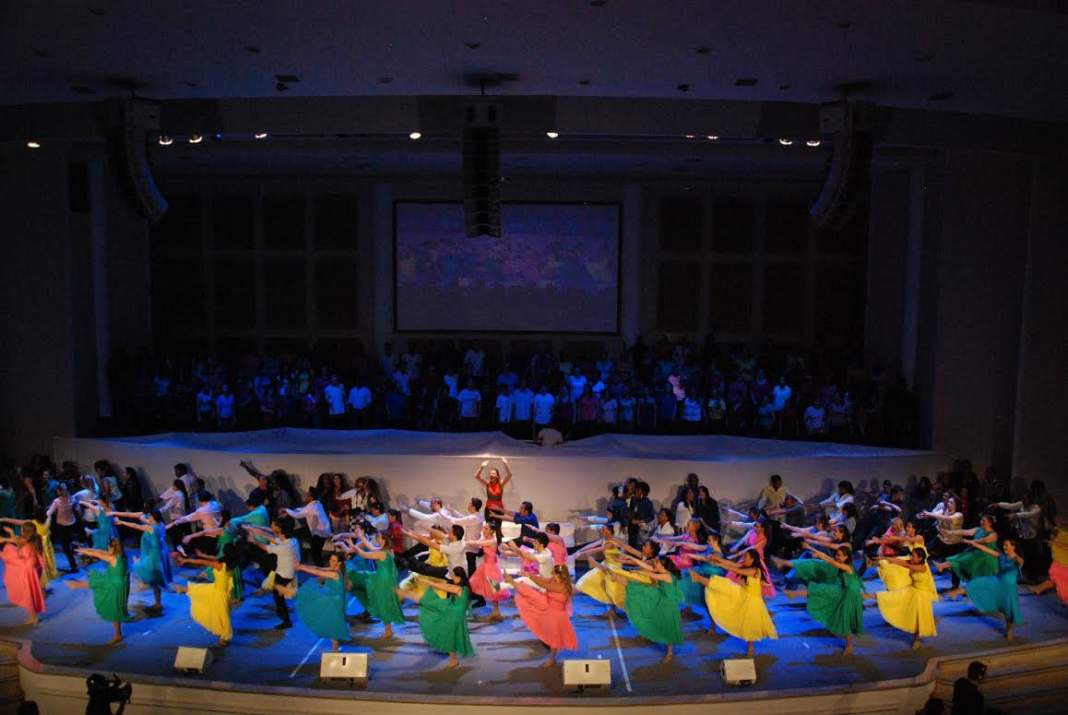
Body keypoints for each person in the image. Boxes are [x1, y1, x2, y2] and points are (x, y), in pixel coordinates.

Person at [692, 549, 777, 657]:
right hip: (742, 594)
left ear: (752, 559)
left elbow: (736, 570)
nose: (744, 559)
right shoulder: (747, 567)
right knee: (722, 584)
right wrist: (719, 560)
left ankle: (751, 647)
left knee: (750, 624)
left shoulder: (755, 570)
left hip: (752, 601)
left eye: (746, 557)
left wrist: (719, 563)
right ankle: (698, 578)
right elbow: (733, 564)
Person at [784, 543, 865, 655]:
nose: (837, 557)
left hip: (851, 595)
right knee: (842, 616)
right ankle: (849, 645)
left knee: (846, 620)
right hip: (845, 591)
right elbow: (829, 560)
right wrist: (811, 548)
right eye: (837, 554)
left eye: (841, 555)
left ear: (847, 557)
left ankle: (849, 646)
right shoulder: (842, 564)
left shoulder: (847, 567)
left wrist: (815, 551)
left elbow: (831, 561)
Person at [397, 567, 475, 670]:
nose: (452, 578)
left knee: (429, 602)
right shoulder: (465, 588)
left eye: (454, 577)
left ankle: (405, 593)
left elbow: (443, 586)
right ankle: (453, 659)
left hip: (453, 612)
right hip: (455, 611)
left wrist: (427, 581)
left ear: (459, 577)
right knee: (450, 634)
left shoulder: (458, 589)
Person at [609, 555, 684, 663]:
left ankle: (670, 652)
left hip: (668, 604)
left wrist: (637, 572)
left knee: (668, 626)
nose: (654, 564)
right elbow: (644, 565)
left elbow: (651, 574)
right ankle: (618, 578)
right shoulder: (660, 570)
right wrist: (633, 560)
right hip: (660, 596)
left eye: (657, 562)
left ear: (662, 565)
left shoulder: (667, 576)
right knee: (640, 588)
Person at [505, 564, 578, 668]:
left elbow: (544, 585)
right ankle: (508, 582)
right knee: (528, 593)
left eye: (553, 572)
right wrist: (528, 574)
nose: (551, 574)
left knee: (554, 638)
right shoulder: (554, 580)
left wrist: (529, 576)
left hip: (556, 615)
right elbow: (543, 579)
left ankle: (552, 659)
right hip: (547, 606)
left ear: (559, 574)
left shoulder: (561, 586)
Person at [338, 530, 405, 639]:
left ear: (384, 540)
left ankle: (388, 631)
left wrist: (353, 546)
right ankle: (388, 630)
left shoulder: (382, 553)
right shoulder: (387, 550)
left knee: (383, 604)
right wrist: (360, 538)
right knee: (383, 602)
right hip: (384, 578)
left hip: (383, 581)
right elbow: (371, 547)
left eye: (379, 538)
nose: (377, 539)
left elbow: (365, 555)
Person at [868, 546, 938, 649]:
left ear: (920, 558)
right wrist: (886, 558)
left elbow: (906, 564)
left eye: (913, 556)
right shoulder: (913, 562)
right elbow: (900, 561)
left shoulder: (923, 567)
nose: (911, 557)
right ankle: (870, 596)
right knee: (904, 608)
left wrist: (896, 561)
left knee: (920, 617)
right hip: (913, 590)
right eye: (911, 555)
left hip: (922, 594)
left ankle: (917, 638)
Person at [67, 538, 132, 644]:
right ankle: (118, 634)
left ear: (113, 548)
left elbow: (99, 555)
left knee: (98, 583)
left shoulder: (113, 558)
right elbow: (100, 552)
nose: (107, 549)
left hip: (115, 584)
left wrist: (85, 551)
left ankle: (76, 585)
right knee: (114, 608)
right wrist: (86, 549)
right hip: (118, 582)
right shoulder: (121, 555)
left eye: (109, 547)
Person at [959, 536, 1024, 640]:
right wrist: (973, 543)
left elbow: (1021, 562)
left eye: (1006, 545)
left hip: (1010, 589)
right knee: (1002, 609)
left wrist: (1016, 557)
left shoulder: (1016, 559)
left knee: (1009, 611)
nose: (1004, 547)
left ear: (1013, 547)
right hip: (999, 584)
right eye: (1003, 545)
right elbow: (986, 550)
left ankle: (1010, 631)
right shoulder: (1001, 556)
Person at [173, 546, 238, 647]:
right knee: (198, 590)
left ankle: (224, 637)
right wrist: (201, 554)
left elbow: (203, 562)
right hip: (222, 592)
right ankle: (182, 589)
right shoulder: (232, 563)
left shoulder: (220, 565)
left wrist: (186, 560)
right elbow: (212, 558)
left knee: (222, 616)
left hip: (218, 594)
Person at [242, 518, 300, 629]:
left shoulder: (284, 547)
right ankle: (284, 615)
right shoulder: (293, 541)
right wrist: (261, 534)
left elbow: (266, 547)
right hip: (288, 572)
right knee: (278, 594)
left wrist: (255, 540)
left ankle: (286, 620)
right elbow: (276, 540)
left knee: (278, 597)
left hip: (283, 574)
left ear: (281, 532)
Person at [112, 510, 171, 613]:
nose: (148, 518)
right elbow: (141, 518)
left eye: (150, 516)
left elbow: (135, 526)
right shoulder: (161, 524)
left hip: (154, 556)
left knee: (143, 569)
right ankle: (158, 602)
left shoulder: (152, 528)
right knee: (154, 578)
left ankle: (155, 599)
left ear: (153, 518)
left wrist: (122, 522)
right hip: (160, 553)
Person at [295, 552, 350, 651]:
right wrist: (302, 565)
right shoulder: (335, 569)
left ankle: (335, 650)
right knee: (333, 624)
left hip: (334, 602)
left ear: (339, 563)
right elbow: (318, 568)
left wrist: (302, 568)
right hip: (334, 599)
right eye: (330, 560)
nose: (330, 562)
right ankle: (335, 647)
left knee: (333, 625)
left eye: (333, 561)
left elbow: (318, 573)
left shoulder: (334, 574)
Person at [931, 513, 999, 595]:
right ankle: (942, 566)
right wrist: (949, 532)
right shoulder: (978, 529)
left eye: (984, 521)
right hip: (976, 553)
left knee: (964, 560)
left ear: (989, 523)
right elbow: (966, 532)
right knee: (960, 558)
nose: (981, 522)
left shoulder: (993, 534)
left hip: (986, 556)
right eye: (981, 520)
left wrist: (968, 541)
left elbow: (982, 541)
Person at [0, 522, 46, 624]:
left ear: (24, 531)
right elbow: (17, 542)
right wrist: (11, 533)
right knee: (30, 591)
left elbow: (17, 542)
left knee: (27, 592)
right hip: (32, 568)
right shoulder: (36, 538)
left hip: (26, 568)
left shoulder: (24, 540)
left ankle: (34, 617)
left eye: (21, 529)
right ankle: (33, 615)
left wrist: (6, 539)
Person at [0, 509, 57, 587]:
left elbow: (15, 521)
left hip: (36, 547)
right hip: (46, 546)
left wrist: (3, 519)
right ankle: (43, 584)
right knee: (43, 564)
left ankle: (39, 585)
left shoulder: (32, 524)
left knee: (36, 566)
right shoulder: (48, 520)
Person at [465, 523, 509, 621]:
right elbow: (477, 542)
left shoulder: (492, 541)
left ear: (491, 531)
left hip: (492, 568)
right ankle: (496, 612)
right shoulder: (485, 539)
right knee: (473, 583)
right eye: (483, 528)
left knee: (495, 590)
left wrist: (463, 542)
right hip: (485, 567)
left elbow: (477, 543)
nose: (483, 530)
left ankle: (496, 612)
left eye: (486, 528)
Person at [286, 490, 332, 565]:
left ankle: (319, 567)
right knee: (317, 550)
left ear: (311, 497)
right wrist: (291, 510)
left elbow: (297, 515)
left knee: (316, 552)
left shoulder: (312, 507)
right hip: (322, 530)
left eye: (308, 495)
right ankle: (319, 564)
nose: (306, 497)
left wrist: (286, 510)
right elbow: (303, 510)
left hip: (320, 532)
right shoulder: (317, 503)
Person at [45, 483, 79, 573]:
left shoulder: (57, 501)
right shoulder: (72, 499)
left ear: (59, 491)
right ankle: (75, 560)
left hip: (62, 526)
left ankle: (74, 566)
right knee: (70, 543)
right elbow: (77, 509)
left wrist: (48, 510)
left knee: (66, 547)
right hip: (72, 524)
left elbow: (49, 513)